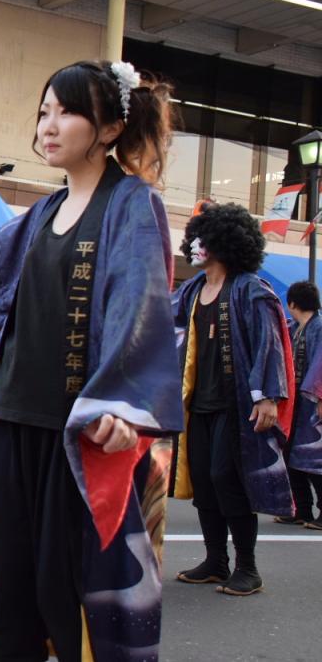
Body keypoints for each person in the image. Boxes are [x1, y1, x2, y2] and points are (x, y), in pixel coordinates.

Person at [0, 61, 183, 657]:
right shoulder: (42, 212)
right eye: (43, 112)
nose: (48, 126)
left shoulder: (132, 204)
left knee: (67, 593)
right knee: (13, 591)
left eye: (66, 112)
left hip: (78, 431)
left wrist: (124, 406)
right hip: (12, 420)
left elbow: (140, 305)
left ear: (109, 128)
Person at [173, 204, 295, 597]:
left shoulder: (250, 289)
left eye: (202, 239)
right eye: (194, 237)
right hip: (197, 406)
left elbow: (270, 344)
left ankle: (248, 567)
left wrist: (269, 397)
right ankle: (215, 561)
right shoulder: (191, 290)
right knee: (205, 482)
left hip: (236, 405)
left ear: (224, 243)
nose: (194, 246)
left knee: (229, 480)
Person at [281, 281, 322, 530]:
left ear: (292, 303)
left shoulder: (318, 327)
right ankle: (300, 508)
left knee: (314, 457)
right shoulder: (296, 327)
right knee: (291, 455)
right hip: (296, 403)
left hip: (312, 402)